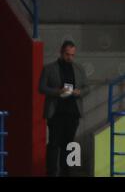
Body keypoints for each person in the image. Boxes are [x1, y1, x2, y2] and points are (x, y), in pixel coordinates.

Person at [38, 40, 90, 176]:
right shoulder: (49, 68)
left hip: (73, 113)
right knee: (54, 144)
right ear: (61, 52)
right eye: (68, 54)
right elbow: (41, 88)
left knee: (69, 144)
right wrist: (57, 91)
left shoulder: (79, 68)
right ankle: (51, 172)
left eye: (73, 55)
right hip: (56, 112)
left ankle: (65, 172)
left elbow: (87, 87)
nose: (70, 58)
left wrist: (80, 92)